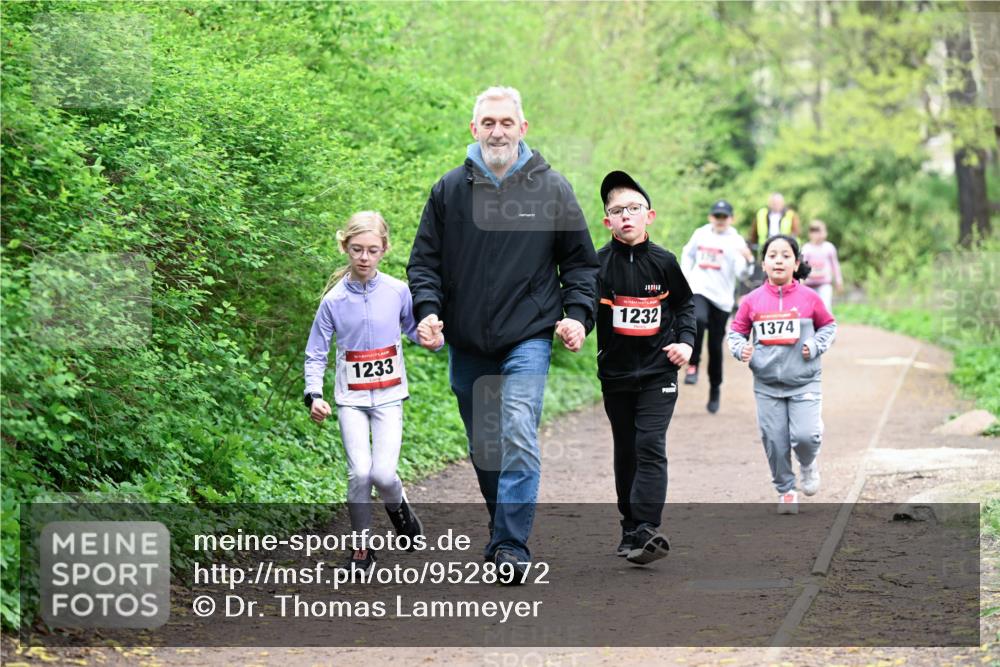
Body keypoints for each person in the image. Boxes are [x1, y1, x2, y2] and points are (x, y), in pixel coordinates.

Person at [407, 86, 599, 581]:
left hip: (527, 335)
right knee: (484, 446)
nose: (497, 131)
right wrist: (428, 311)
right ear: (474, 129)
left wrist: (577, 315)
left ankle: (511, 545)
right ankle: (502, 527)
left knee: (516, 430)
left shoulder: (552, 189)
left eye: (506, 122)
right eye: (488, 122)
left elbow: (581, 264)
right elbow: (424, 262)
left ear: (522, 128)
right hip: (468, 340)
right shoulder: (449, 190)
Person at [304, 211, 433, 573]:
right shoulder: (332, 301)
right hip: (351, 400)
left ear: (384, 250)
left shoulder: (397, 291)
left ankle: (399, 508)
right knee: (359, 473)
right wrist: (314, 395)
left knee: (384, 475)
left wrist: (432, 338)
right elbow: (316, 352)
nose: (364, 257)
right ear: (345, 247)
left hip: (390, 397)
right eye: (357, 249)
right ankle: (362, 550)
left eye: (372, 250)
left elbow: (415, 331)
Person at [595, 171, 696, 564]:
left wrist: (685, 343)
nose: (626, 216)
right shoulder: (599, 265)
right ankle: (629, 526)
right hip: (616, 374)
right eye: (617, 211)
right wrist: (575, 326)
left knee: (650, 443)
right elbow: (586, 308)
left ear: (648, 216)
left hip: (659, 371)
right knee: (626, 449)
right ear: (608, 221)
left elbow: (685, 306)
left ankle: (647, 528)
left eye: (633, 208)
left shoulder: (664, 262)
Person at [728, 235, 837, 514]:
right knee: (775, 441)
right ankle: (786, 489)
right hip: (767, 385)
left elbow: (829, 327)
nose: (779, 260)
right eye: (772, 255)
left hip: (804, 381)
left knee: (806, 436)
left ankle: (808, 463)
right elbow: (736, 333)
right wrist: (741, 350)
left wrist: (814, 345)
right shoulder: (751, 301)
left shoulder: (810, 298)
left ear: (796, 263)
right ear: (763, 264)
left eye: (786, 255)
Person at [680, 199, 754, 413]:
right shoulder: (701, 233)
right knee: (697, 319)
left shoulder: (736, 241)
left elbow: (742, 274)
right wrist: (685, 276)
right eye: (717, 216)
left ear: (731, 219)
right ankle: (692, 365)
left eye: (724, 217)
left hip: (722, 299)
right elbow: (687, 254)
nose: (720, 220)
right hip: (699, 289)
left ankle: (715, 388)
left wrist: (748, 261)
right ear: (710, 217)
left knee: (715, 347)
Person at [800, 220, 843, 312]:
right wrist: (801, 281)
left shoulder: (829, 247)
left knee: (826, 308)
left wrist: (838, 281)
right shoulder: (806, 249)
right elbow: (802, 267)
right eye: (815, 232)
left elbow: (835, 265)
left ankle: (827, 326)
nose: (819, 234)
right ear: (810, 233)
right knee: (810, 309)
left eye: (821, 231)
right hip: (809, 285)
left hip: (824, 284)